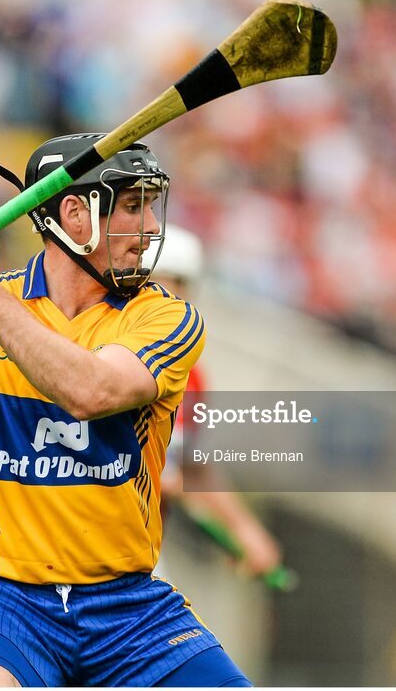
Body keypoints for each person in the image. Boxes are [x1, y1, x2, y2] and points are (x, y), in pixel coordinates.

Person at [0, 133, 251, 687]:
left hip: (130, 610)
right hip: (2, 603)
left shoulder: (167, 318)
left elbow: (92, 393)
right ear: (75, 216)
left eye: (151, 205)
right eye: (133, 206)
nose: (152, 226)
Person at [145, 225, 283, 580]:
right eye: (161, 284)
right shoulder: (102, 354)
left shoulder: (191, 375)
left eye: (182, 286)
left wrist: (244, 530)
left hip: (144, 547)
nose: (173, 299)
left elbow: (192, 465)